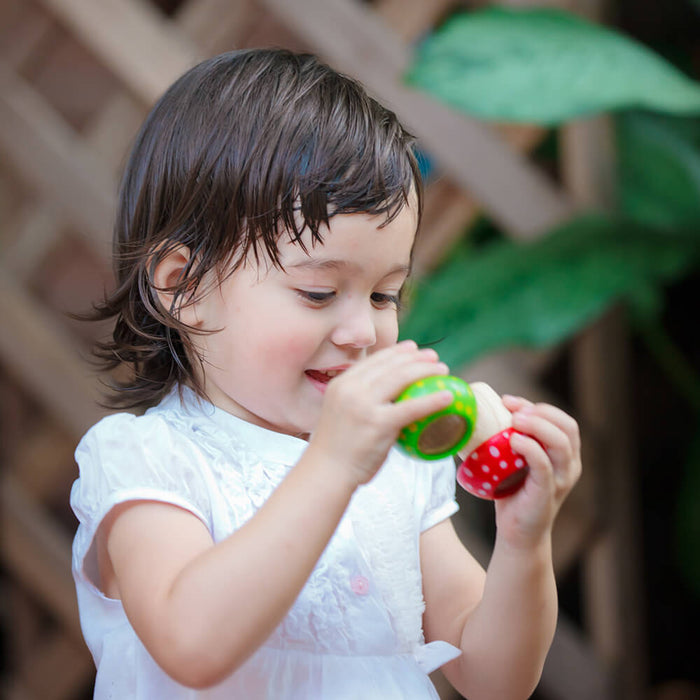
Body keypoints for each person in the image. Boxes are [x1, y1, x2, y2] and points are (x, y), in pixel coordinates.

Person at [70, 48, 581, 700]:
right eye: (317, 293)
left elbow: (494, 678)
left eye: (383, 296)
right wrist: (334, 465)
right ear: (184, 288)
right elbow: (191, 648)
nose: (362, 333)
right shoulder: (149, 462)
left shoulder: (397, 468)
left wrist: (522, 540)